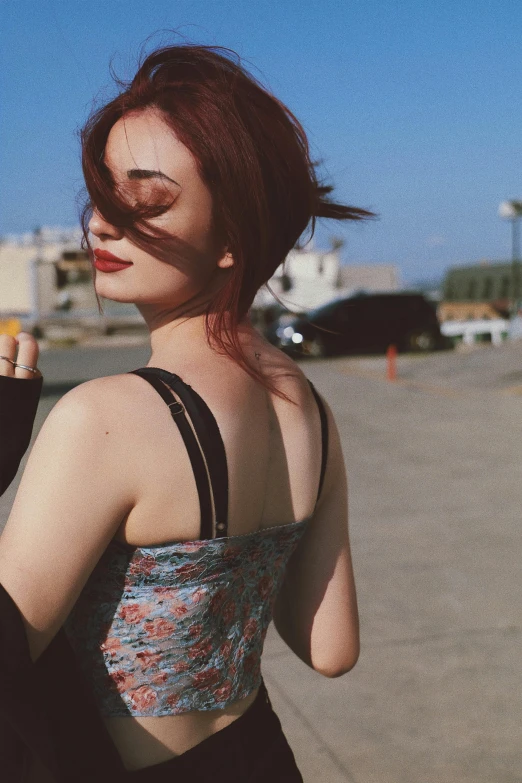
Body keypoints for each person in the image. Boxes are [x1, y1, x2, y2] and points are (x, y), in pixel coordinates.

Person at [0, 43, 365, 782]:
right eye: (101, 193)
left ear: (233, 232)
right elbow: (330, 646)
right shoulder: (309, 409)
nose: (102, 224)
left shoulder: (106, 416)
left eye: (145, 199)